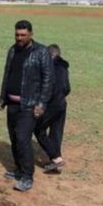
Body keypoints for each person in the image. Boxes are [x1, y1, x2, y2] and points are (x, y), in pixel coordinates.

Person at [0, 20, 53, 192]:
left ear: (31, 34)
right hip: (12, 104)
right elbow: (7, 74)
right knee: (14, 138)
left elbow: (48, 80)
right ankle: (19, 170)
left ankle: (27, 176)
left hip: (30, 105)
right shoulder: (12, 50)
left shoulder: (41, 52)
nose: (19, 38)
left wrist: (41, 103)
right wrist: (2, 97)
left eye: (23, 35)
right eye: (17, 35)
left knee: (22, 139)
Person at [35, 44, 71, 173]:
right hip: (62, 104)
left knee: (38, 129)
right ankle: (56, 162)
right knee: (56, 132)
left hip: (51, 104)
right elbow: (67, 88)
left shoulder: (49, 68)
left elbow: (46, 89)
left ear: (51, 55)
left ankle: (56, 158)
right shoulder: (64, 68)